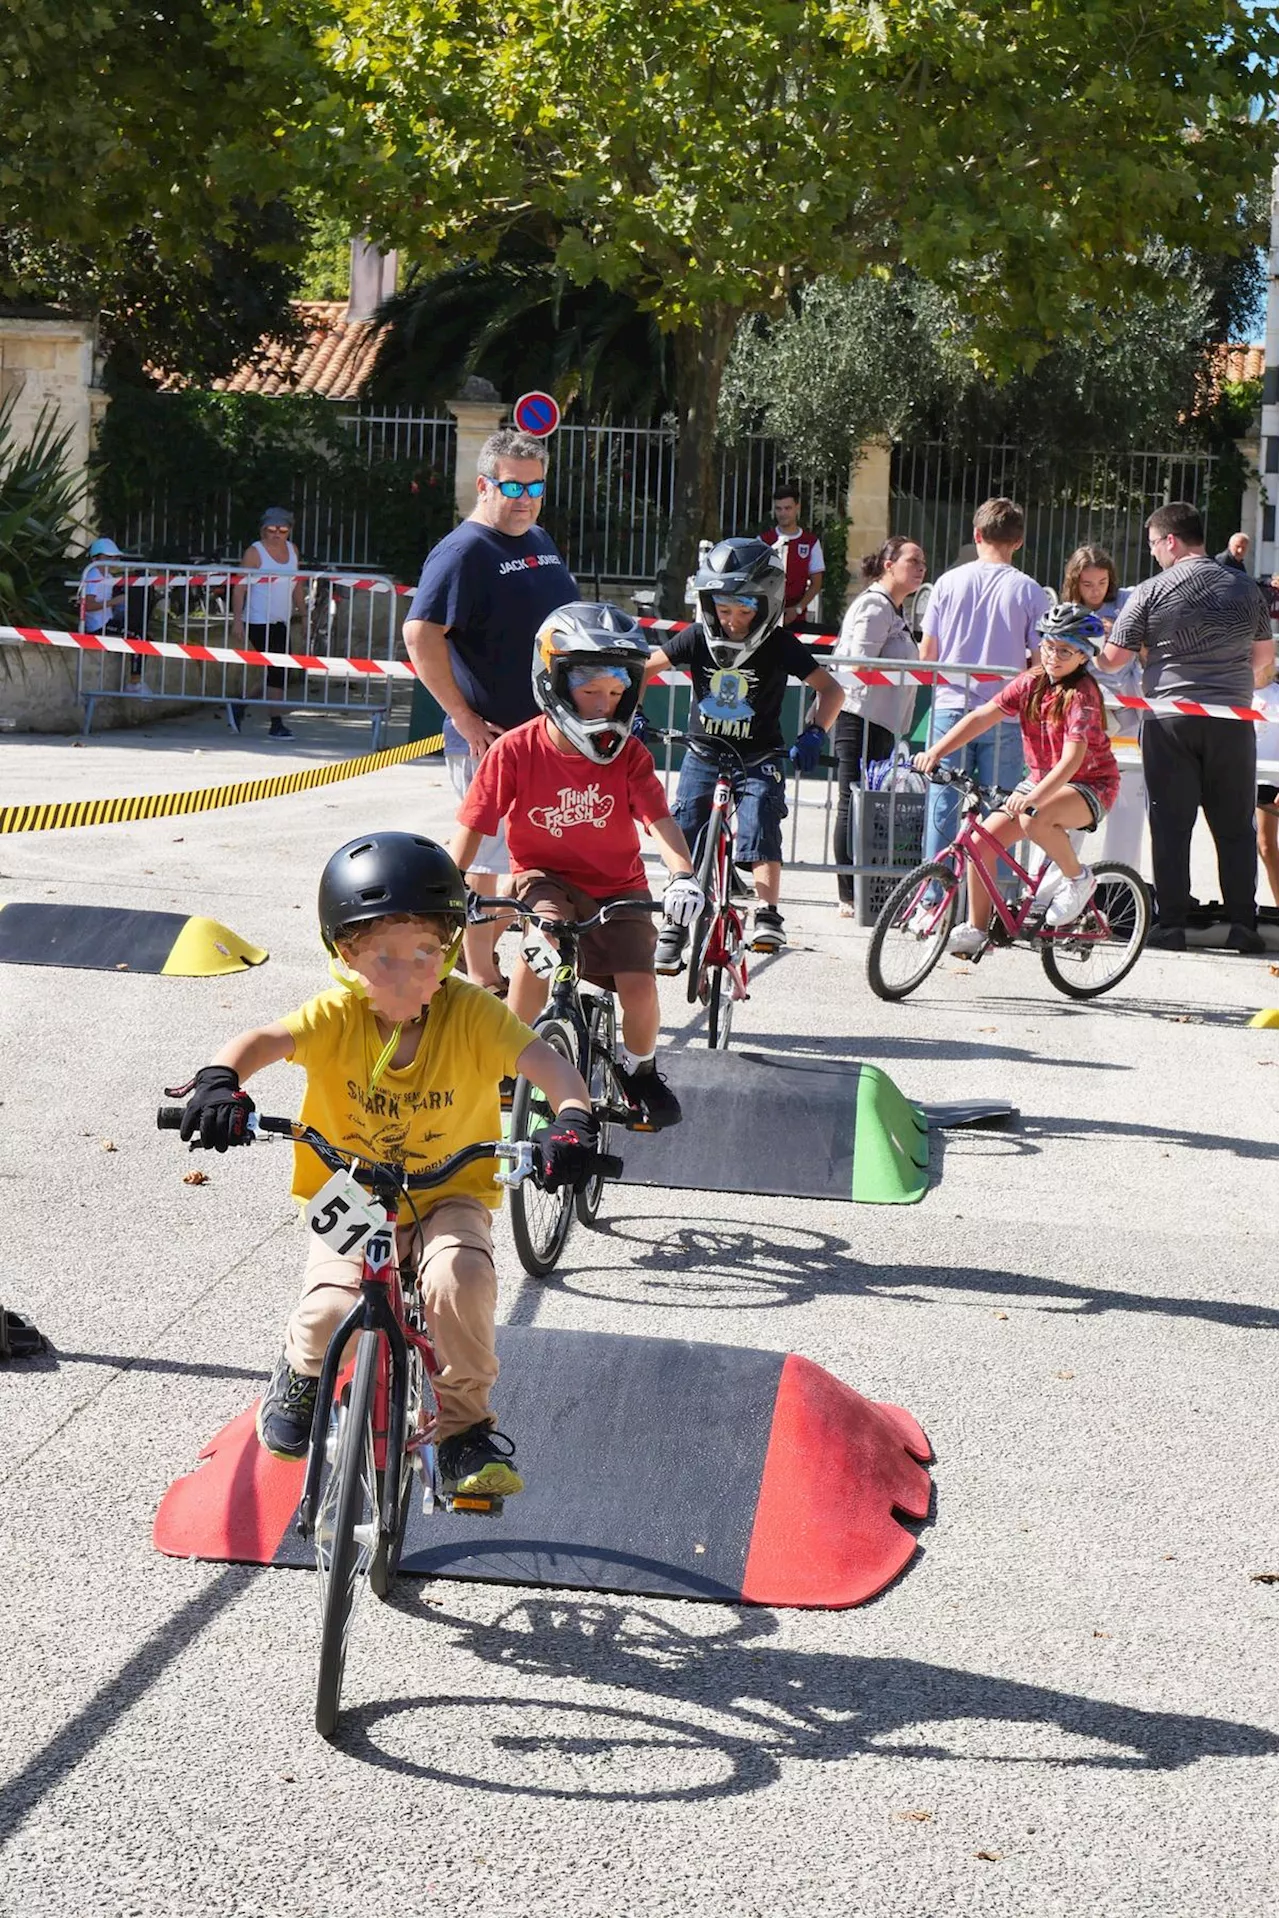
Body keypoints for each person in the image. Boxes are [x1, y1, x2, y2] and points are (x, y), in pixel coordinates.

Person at [171, 833, 599, 1497]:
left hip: (448, 1191)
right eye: (385, 956)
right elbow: (264, 1040)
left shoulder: (473, 1014)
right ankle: (300, 1371)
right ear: (346, 953)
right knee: (330, 1306)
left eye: (427, 952)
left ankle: (463, 1430)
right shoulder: (336, 1014)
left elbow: (550, 1066)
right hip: (347, 1193)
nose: (409, 971)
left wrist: (570, 1119)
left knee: (461, 1278)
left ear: (452, 951)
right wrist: (221, 1079)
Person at [450, 603, 702, 1129]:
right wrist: (450, 883)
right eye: (590, 692)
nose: (603, 705)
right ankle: (508, 1057)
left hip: (620, 886)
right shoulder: (515, 750)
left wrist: (682, 873)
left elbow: (659, 821)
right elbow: (474, 824)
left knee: (640, 984)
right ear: (554, 683)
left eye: (616, 693)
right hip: (545, 878)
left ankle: (640, 1070)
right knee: (541, 941)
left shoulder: (630, 755)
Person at [404, 429, 578, 990]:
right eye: (511, 486)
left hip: (546, 735)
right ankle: (482, 977)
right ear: (484, 485)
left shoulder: (538, 540)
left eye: (535, 487)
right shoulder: (464, 551)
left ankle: (485, 961)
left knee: (526, 860)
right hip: (492, 739)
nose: (525, 497)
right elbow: (420, 634)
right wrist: (462, 718)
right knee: (489, 863)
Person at [644, 537, 843, 963]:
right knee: (688, 823)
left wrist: (814, 733)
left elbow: (831, 691)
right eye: (724, 608)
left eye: (745, 610)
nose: (733, 620)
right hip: (703, 751)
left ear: (767, 605)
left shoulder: (779, 643)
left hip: (758, 757)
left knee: (760, 820)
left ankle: (768, 914)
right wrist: (634, 711)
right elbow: (642, 671)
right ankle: (676, 921)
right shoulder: (696, 637)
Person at [1098, 501, 1275, 953]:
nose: (1154, 553)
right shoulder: (1245, 589)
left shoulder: (1152, 590)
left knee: (1172, 824)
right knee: (1235, 826)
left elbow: (1111, 659)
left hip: (1169, 720)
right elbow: (1262, 661)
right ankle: (1243, 925)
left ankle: (1171, 924)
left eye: (1155, 544)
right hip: (1232, 722)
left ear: (1171, 541)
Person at [916, 604, 1120, 955]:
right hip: (1043, 780)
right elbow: (982, 716)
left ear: (1084, 656)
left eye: (1065, 650)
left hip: (1091, 784)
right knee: (981, 846)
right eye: (1048, 646)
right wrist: (936, 751)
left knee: (1033, 817)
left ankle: (1079, 880)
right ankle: (978, 930)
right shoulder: (1032, 681)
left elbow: (1072, 761)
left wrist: (1035, 798)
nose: (1053, 656)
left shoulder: (1083, 695)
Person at [919, 497, 1048, 862]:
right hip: (1003, 711)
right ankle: (996, 901)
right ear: (1019, 541)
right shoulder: (1029, 590)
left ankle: (933, 900)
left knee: (942, 806)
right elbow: (1041, 663)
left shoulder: (947, 583)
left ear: (976, 534)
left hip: (950, 706)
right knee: (1003, 811)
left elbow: (927, 655)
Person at [829, 537, 926, 916]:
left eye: (923, 562)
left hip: (882, 721)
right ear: (889, 564)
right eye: (913, 560)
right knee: (852, 801)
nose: (920, 568)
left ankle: (869, 886)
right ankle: (848, 892)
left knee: (871, 803)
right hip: (859, 715)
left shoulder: (895, 609)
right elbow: (858, 665)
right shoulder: (874, 605)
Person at [230, 508, 306, 739]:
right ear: (263, 530)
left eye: (282, 530)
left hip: (281, 619)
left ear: (289, 531)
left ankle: (240, 704)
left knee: (278, 669)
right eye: (271, 530)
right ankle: (276, 723)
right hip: (258, 619)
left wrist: (303, 615)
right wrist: (237, 620)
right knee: (276, 670)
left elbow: (297, 585)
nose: (276, 534)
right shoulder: (255, 552)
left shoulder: (293, 550)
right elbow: (240, 587)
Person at [762, 481, 825, 630]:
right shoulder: (764, 541)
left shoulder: (811, 543)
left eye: (788, 508)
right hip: (766, 618)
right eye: (778, 509)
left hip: (796, 618)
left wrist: (797, 609)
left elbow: (816, 583)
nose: (783, 513)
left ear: (797, 508)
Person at [79, 537, 126, 636]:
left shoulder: (108, 576)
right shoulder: (93, 575)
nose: (112, 560)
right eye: (108, 557)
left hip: (106, 623)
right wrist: (115, 601)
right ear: (95, 559)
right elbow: (88, 605)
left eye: (115, 557)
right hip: (97, 626)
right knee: (134, 636)